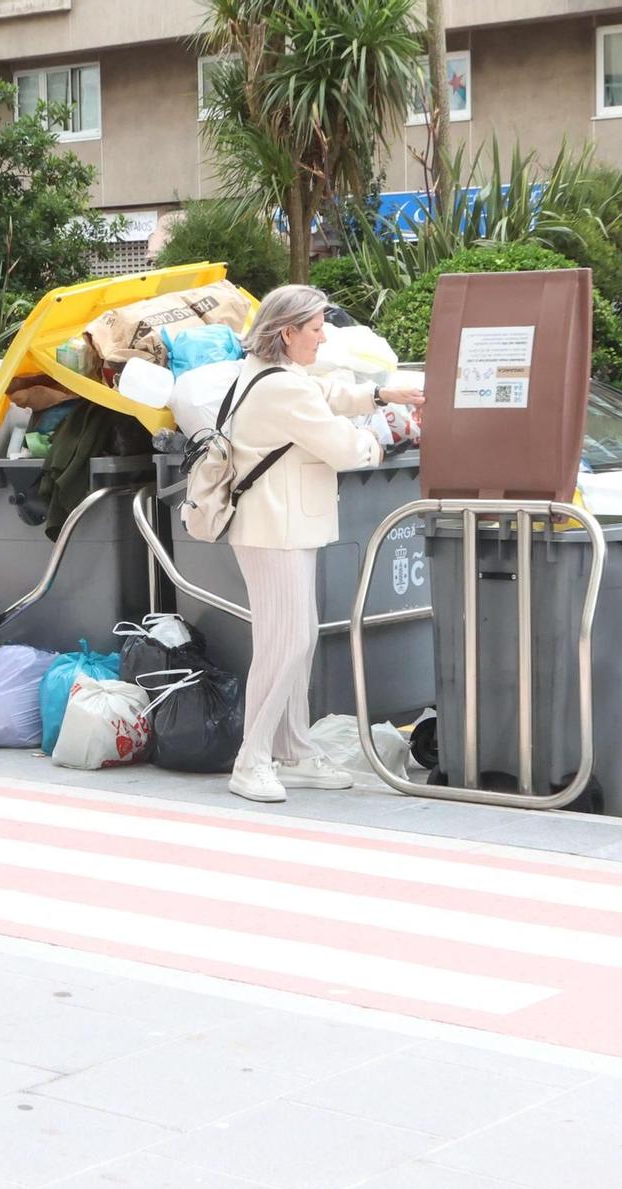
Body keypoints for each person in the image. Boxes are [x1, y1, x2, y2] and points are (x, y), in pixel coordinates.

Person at [220, 284, 424, 803]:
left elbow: (325, 393)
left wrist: (381, 395)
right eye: (314, 328)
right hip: (275, 529)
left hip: (282, 526)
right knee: (285, 643)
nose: (323, 335)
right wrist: (386, 432)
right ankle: (252, 758)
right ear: (287, 332)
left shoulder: (277, 374)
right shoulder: (281, 388)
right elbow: (342, 447)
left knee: (298, 637)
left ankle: (291, 750)